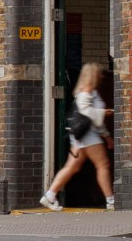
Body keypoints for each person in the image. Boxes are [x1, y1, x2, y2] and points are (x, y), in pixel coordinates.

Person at [40, 61, 115, 211]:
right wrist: (104, 113)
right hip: (89, 135)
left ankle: (49, 195)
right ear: (93, 75)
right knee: (103, 165)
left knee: (72, 166)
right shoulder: (87, 91)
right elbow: (86, 111)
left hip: (81, 136)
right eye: (99, 73)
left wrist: (106, 135)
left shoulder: (87, 90)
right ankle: (110, 200)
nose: (101, 75)